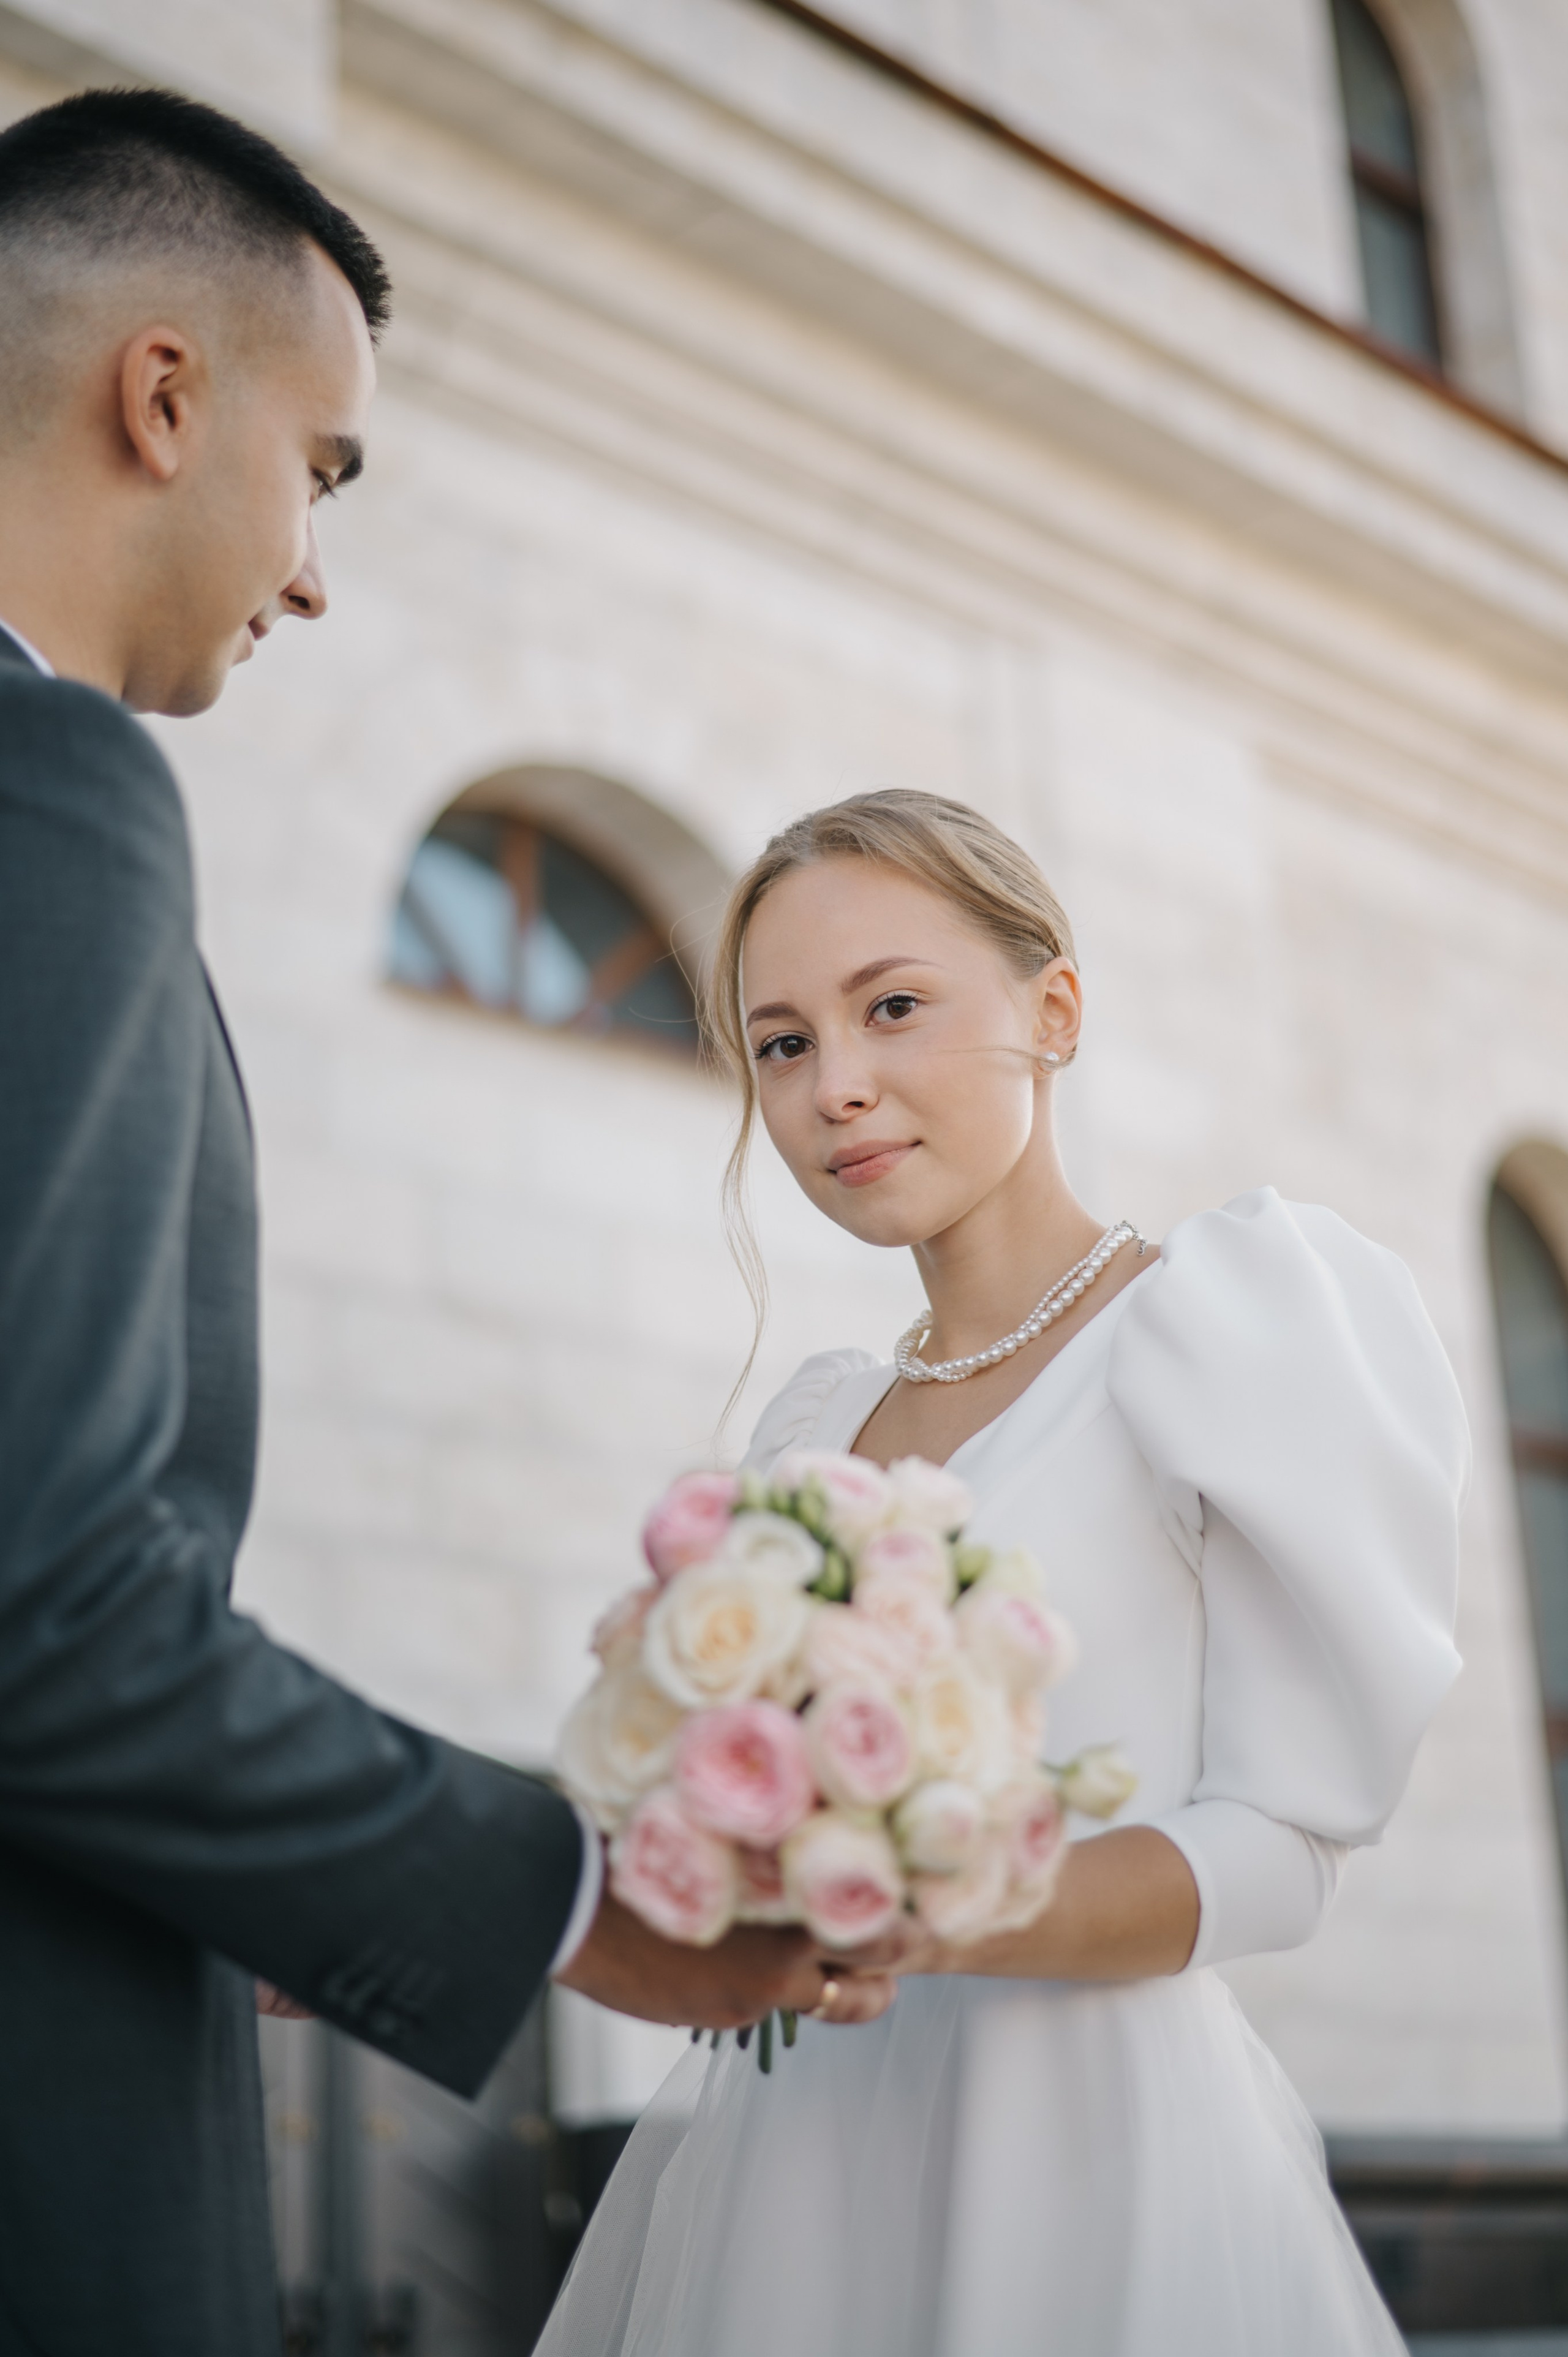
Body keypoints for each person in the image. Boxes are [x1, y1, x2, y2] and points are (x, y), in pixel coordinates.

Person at [0, 89, 897, 2357]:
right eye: (323, 468)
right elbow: (43, 1603)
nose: (314, 570)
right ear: (162, 394)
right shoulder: (56, 792)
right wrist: (578, 1901)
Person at [537, 788, 1470, 2357]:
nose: (836, 1086)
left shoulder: (1227, 1321)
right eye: (781, 1044)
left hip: (1091, 2149)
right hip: (797, 2157)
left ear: (1054, 1011)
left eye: (892, 1007)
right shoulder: (812, 1430)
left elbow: (1282, 1846)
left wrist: (931, 1914)